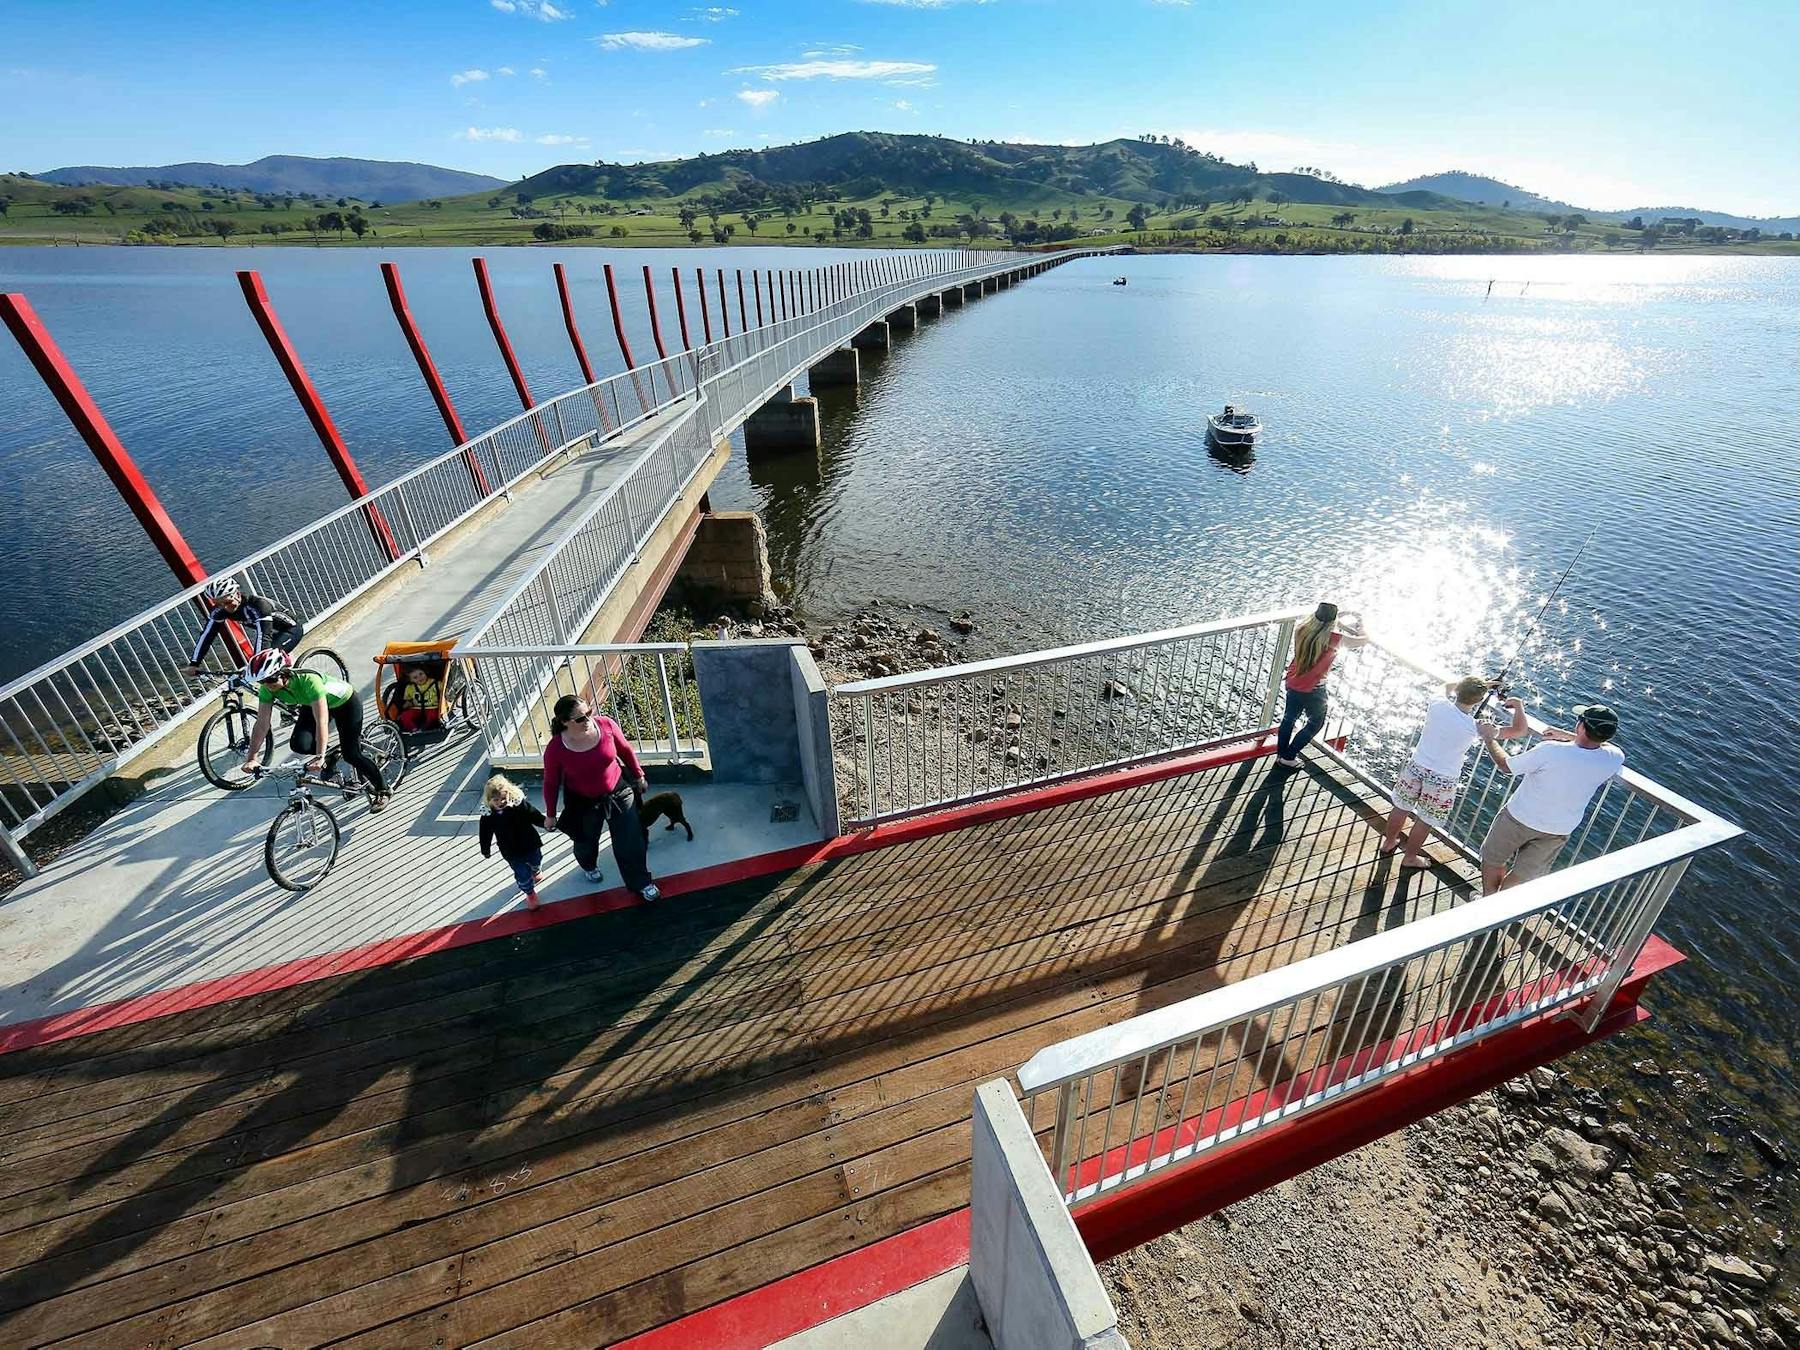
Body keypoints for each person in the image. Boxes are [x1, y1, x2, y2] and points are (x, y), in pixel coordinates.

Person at [1476, 702, 1624, 894]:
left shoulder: (1550, 750)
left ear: (1580, 726)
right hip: (1557, 830)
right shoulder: (1613, 758)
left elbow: (1506, 766)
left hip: (1519, 818)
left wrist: (1488, 737)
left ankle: (1489, 899)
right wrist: (1569, 736)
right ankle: (1499, 906)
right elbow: (1604, 746)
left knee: (1493, 859)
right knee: (1523, 875)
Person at [1381, 676, 1528, 869]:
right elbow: (1519, 730)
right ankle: (1410, 858)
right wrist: (1518, 706)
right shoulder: (1476, 726)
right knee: (1424, 820)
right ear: (1478, 700)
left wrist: (1482, 684)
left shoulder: (1438, 704)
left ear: (1458, 691)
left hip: (1417, 766)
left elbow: (1446, 686)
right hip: (1442, 779)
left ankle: (1388, 842)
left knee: (1401, 807)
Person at [542, 694, 660, 902]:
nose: (588, 719)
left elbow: (625, 750)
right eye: (581, 718)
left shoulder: (606, 725)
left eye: (589, 712)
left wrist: (638, 775)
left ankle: (641, 882)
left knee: (630, 840)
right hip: (583, 802)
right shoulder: (556, 748)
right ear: (564, 722)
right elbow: (551, 783)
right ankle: (588, 865)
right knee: (586, 841)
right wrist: (550, 815)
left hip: (618, 792)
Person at [241, 647, 390, 811]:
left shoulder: (309, 681)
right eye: (261, 682)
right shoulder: (268, 689)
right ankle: (333, 754)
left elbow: (322, 721)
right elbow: (262, 723)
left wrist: (320, 756)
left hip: (345, 704)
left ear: (283, 673)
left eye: (269, 680)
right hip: (310, 704)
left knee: (351, 754)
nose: (266, 686)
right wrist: (252, 758)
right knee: (299, 744)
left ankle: (383, 790)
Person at [1275, 602, 1370, 768]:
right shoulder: (1333, 638)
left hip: (1293, 680)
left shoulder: (1302, 629)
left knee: (1289, 719)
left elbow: (1320, 626)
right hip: (1314, 688)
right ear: (1332, 622)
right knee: (1316, 723)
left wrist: (1337, 620)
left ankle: (1281, 754)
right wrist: (1362, 625)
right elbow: (1362, 640)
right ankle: (1289, 756)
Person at [185, 577, 303, 675]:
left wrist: (256, 662)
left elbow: (263, 635)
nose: (225, 607)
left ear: (237, 594)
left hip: (290, 629)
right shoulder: (220, 611)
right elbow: (207, 636)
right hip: (273, 632)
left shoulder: (258, 605)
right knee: (262, 667)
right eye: (218, 604)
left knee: (265, 666)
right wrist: (194, 663)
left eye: (227, 602)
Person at [480, 773, 546, 909]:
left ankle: (535, 870)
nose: (500, 802)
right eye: (496, 800)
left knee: (536, 859)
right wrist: (485, 849)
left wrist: (545, 823)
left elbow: (534, 815)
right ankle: (530, 892)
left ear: (509, 794)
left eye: (503, 798)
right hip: (510, 850)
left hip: (529, 842)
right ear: (489, 800)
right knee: (522, 873)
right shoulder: (488, 815)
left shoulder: (519, 805)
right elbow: (485, 834)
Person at [396, 664, 441, 733]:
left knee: (433, 716)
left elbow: (444, 690)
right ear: (410, 680)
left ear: (425, 672)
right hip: (417, 708)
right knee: (405, 716)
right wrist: (407, 704)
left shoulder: (435, 683)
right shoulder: (410, 688)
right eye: (415, 677)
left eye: (421, 674)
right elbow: (408, 700)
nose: (420, 678)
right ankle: (413, 729)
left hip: (432, 707)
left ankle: (426, 728)